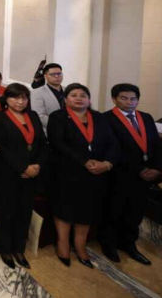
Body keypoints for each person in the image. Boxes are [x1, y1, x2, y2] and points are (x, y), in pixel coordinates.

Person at [48, 83, 119, 268]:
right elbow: (58, 143)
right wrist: (83, 161)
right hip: (67, 171)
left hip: (96, 173)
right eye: (74, 95)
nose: (79, 98)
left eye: (83, 95)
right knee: (65, 207)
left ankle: (80, 246)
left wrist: (107, 163)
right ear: (65, 99)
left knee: (88, 209)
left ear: (89, 99)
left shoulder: (99, 118)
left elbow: (113, 143)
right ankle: (63, 244)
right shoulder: (58, 117)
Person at [99, 83, 162, 265]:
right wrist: (139, 169)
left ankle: (129, 244)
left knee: (135, 212)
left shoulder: (146, 117)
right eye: (124, 98)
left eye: (133, 98)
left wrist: (157, 169)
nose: (129, 102)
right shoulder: (106, 119)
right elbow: (112, 149)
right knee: (114, 210)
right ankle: (109, 245)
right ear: (114, 99)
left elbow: (156, 146)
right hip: (120, 175)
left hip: (146, 177)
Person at [0, 83, 47, 270]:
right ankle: (4, 247)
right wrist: (22, 167)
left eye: (24, 98)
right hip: (8, 173)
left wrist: (37, 165)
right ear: (6, 99)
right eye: (15, 97)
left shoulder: (32, 116)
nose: (20, 101)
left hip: (32, 174)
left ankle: (18, 248)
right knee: (6, 211)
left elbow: (41, 143)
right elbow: (0, 147)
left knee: (24, 212)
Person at [30, 63, 65, 131]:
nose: (57, 76)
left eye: (59, 74)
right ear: (45, 76)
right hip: (49, 131)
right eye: (53, 74)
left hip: (70, 132)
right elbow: (40, 115)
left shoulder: (67, 90)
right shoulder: (37, 92)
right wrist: (62, 126)